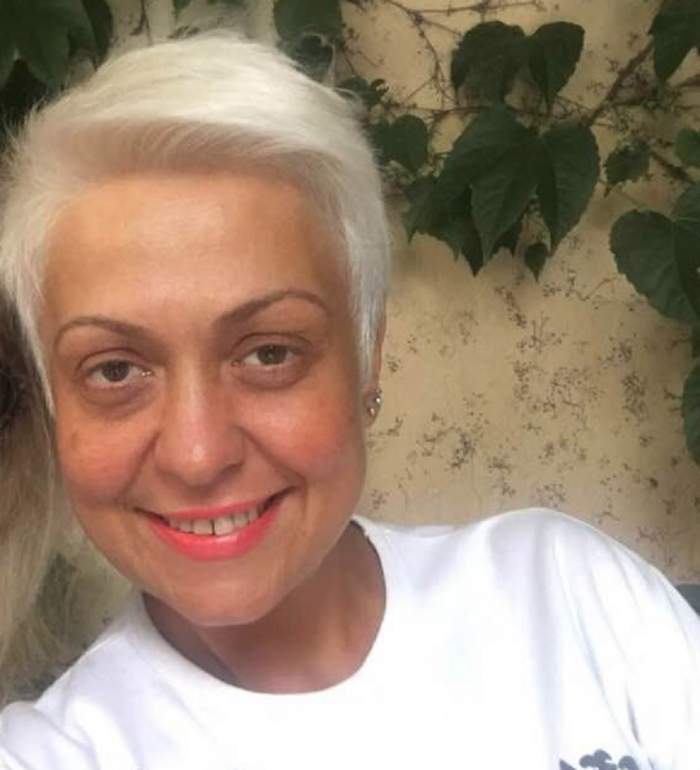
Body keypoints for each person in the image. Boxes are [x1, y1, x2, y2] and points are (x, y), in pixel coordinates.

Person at [0, 31, 698, 770]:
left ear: (367, 356)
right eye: (114, 370)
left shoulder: (565, 594)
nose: (197, 455)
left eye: (269, 353)